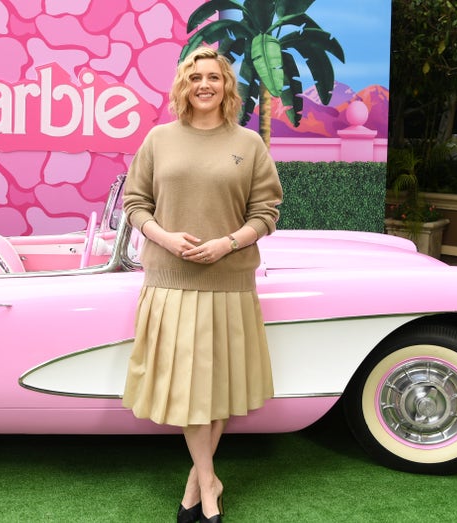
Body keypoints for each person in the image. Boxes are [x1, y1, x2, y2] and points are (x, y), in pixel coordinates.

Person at [121, 46, 283, 523]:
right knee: (191, 390)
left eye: (213, 77)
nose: (204, 85)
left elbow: (266, 213)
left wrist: (227, 244)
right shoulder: (159, 139)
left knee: (215, 386)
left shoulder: (250, 145)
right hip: (170, 282)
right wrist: (165, 238)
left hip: (229, 283)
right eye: (195, 78)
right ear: (183, 87)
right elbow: (135, 204)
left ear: (226, 85)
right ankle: (210, 482)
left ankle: (199, 482)